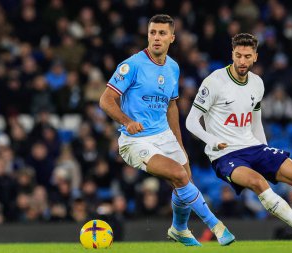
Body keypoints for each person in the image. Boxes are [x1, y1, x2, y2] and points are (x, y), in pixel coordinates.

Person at [100, 14, 235, 246]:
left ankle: (179, 229)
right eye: (152, 33)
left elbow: (172, 106)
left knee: (185, 180)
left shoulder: (173, 67)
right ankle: (217, 226)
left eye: (162, 33)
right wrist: (126, 120)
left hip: (164, 135)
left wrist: (179, 142)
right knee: (180, 176)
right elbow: (106, 99)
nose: (156, 38)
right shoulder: (132, 65)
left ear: (172, 38)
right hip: (136, 140)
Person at [186, 33, 292, 244]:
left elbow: (255, 121)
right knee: (258, 182)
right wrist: (211, 140)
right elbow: (191, 121)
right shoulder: (214, 82)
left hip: (253, 147)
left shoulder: (257, 83)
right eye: (238, 56)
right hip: (224, 153)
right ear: (232, 55)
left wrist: (264, 149)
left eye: (247, 56)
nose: (242, 61)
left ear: (255, 56)